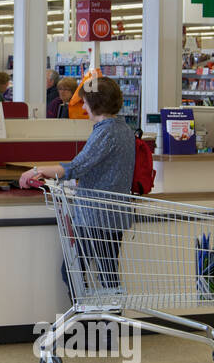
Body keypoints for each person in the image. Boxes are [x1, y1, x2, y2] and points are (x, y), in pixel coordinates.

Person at [19, 77, 136, 296]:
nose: (82, 106)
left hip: (96, 217)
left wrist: (36, 170)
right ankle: (105, 327)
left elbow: (75, 167)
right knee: (108, 276)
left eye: (85, 102)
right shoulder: (123, 129)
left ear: (95, 102)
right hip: (114, 215)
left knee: (72, 272)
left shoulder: (105, 132)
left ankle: (88, 322)